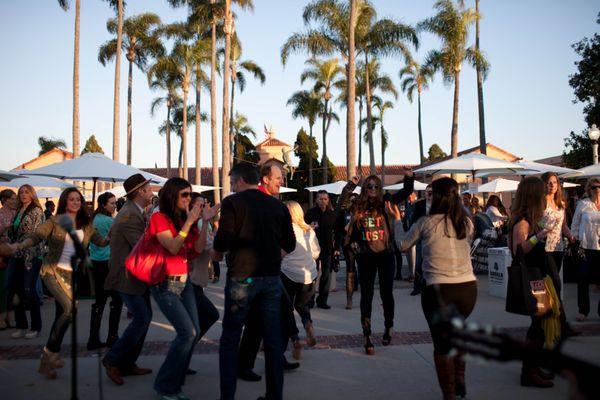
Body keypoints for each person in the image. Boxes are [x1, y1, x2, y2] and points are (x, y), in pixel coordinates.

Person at [213, 162, 295, 400]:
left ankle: (227, 396)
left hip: (242, 277)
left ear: (239, 181)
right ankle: (274, 396)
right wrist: (271, 255)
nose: (231, 187)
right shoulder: (277, 206)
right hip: (270, 278)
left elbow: (222, 242)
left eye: (231, 183)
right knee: (272, 340)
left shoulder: (233, 203)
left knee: (230, 337)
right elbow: (289, 243)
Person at [389, 177, 477, 400]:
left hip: (439, 290)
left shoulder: (426, 223)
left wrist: (397, 220)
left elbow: (402, 245)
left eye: (431, 194)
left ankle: (449, 394)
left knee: (442, 344)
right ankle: (460, 378)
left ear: (436, 197)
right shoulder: (466, 222)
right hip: (468, 289)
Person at [8, 187, 109, 379]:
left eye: (78, 200)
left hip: (73, 276)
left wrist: (113, 235)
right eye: (71, 199)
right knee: (71, 309)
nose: (75, 203)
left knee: (62, 316)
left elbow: (100, 242)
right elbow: (37, 235)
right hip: (52, 272)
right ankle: (49, 352)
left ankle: (47, 363)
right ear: (64, 201)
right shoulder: (54, 221)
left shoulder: (86, 224)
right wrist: (21, 245)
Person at [148, 177, 219, 400]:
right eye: (185, 195)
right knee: (187, 332)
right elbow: (172, 246)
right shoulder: (159, 218)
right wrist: (190, 222)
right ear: (172, 196)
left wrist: (205, 222)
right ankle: (166, 386)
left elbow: (196, 250)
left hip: (184, 281)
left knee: (194, 331)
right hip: (163, 282)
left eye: (190, 194)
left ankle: (173, 381)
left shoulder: (184, 219)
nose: (189, 199)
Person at [338, 173, 413, 355]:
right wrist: (351, 185)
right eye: (369, 186)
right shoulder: (358, 205)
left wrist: (409, 178)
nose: (372, 189)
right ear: (365, 189)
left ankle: (388, 327)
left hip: (385, 255)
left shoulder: (386, 201)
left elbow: (406, 192)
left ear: (379, 189)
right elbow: (342, 204)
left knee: (387, 294)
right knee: (367, 296)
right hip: (365, 256)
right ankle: (367, 334)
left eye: (375, 187)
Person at [103, 173, 155, 386]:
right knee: (142, 318)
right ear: (140, 192)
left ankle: (128, 362)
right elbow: (143, 247)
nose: (151, 191)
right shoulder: (129, 215)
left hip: (135, 276)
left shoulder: (135, 211)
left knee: (145, 316)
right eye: (149, 188)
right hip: (127, 277)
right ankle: (113, 359)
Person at [508, 177, 554, 388]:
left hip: (538, 277)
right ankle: (528, 372)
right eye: (542, 190)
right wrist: (539, 236)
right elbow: (519, 250)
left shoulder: (530, 219)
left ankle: (533, 367)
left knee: (541, 324)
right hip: (532, 279)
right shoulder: (523, 221)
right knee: (537, 326)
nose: (546, 193)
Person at [281, 200, 321, 358]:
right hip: (308, 275)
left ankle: (295, 339)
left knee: (286, 309)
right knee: (302, 304)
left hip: (288, 273)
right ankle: (307, 323)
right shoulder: (309, 230)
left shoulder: (284, 230)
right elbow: (316, 252)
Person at [540, 172, 577, 336]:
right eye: (549, 182)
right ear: (544, 185)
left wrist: (570, 235)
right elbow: (536, 224)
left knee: (553, 286)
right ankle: (562, 325)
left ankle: (552, 321)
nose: (552, 185)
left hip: (558, 248)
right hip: (544, 248)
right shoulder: (540, 203)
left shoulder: (561, 203)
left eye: (555, 182)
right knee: (555, 284)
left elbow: (563, 227)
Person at [6, 184, 44, 339]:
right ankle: (21, 325)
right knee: (12, 287)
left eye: (26, 192)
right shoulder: (17, 212)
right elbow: (14, 232)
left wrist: (20, 243)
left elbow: (35, 233)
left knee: (29, 289)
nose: (23, 195)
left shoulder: (37, 211)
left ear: (32, 194)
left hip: (32, 255)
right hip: (16, 254)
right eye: (21, 192)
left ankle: (35, 327)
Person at [187, 193, 220, 373]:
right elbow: (206, 248)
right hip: (187, 283)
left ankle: (183, 359)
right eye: (199, 205)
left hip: (195, 282)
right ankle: (179, 363)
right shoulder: (192, 225)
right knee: (206, 317)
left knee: (192, 326)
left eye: (204, 204)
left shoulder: (200, 225)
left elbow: (212, 247)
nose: (203, 208)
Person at [87, 192, 122, 350]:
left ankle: (93, 338)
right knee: (116, 300)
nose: (114, 206)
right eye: (111, 203)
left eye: (115, 203)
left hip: (96, 261)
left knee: (99, 301)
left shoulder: (94, 219)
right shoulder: (109, 221)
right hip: (108, 262)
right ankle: (112, 336)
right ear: (103, 205)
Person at [571, 177, 600, 323]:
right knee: (583, 279)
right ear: (589, 189)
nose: (597, 189)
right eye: (594, 187)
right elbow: (574, 225)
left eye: (599, 186)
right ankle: (583, 310)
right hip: (585, 246)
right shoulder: (583, 204)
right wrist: (575, 242)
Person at [304, 190, 337, 309]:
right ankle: (310, 300)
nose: (323, 201)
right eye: (320, 199)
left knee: (326, 275)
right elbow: (303, 229)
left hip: (328, 249)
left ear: (328, 200)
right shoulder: (310, 214)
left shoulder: (332, 215)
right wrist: (308, 228)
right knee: (313, 275)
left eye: (325, 199)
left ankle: (322, 301)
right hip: (313, 250)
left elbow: (337, 233)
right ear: (316, 200)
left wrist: (337, 248)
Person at [335, 192, 359, 309]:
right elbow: (342, 229)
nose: (353, 203)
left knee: (363, 269)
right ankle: (349, 299)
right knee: (350, 269)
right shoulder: (344, 214)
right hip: (348, 244)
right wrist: (337, 247)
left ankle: (363, 293)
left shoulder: (361, 214)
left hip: (360, 244)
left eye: (355, 201)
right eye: (352, 201)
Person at [409, 184, 432, 296]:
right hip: (421, 238)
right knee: (418, 263)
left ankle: (430, 287)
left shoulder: (439, 205)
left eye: (431, 192)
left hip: (434, 239)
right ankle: (417, 286)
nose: (428, 194)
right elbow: (413, 219)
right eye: (427, 192)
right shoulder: (419, 205)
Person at [0, 189, 17, 330]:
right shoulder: (0, 214)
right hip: (2, 253)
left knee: (12, 286)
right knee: (3, 286)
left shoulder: (16, 213)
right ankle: (1, 317)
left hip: (14, 252)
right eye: (12, 199)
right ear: (4, 200)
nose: (14, 201)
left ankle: (9, 316)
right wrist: (5, 228)